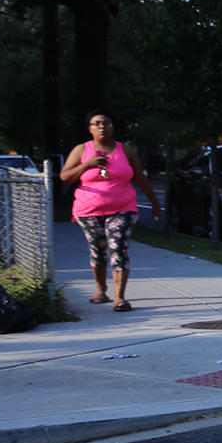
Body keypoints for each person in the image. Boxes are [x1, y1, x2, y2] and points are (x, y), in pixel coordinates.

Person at [59, 112, 162, 312]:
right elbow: (65, 177)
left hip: (123, 208)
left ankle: (119, 297)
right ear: (89, 128)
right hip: (88, 211)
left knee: (118, 247)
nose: (101, 126)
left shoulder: (126, 150)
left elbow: (140, 178)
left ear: (113, 127)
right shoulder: (81, 150)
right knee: (97, 251)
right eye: (96, 123)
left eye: (106, 123)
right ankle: (101, 289)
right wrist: (87, 164)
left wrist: (155, 203)